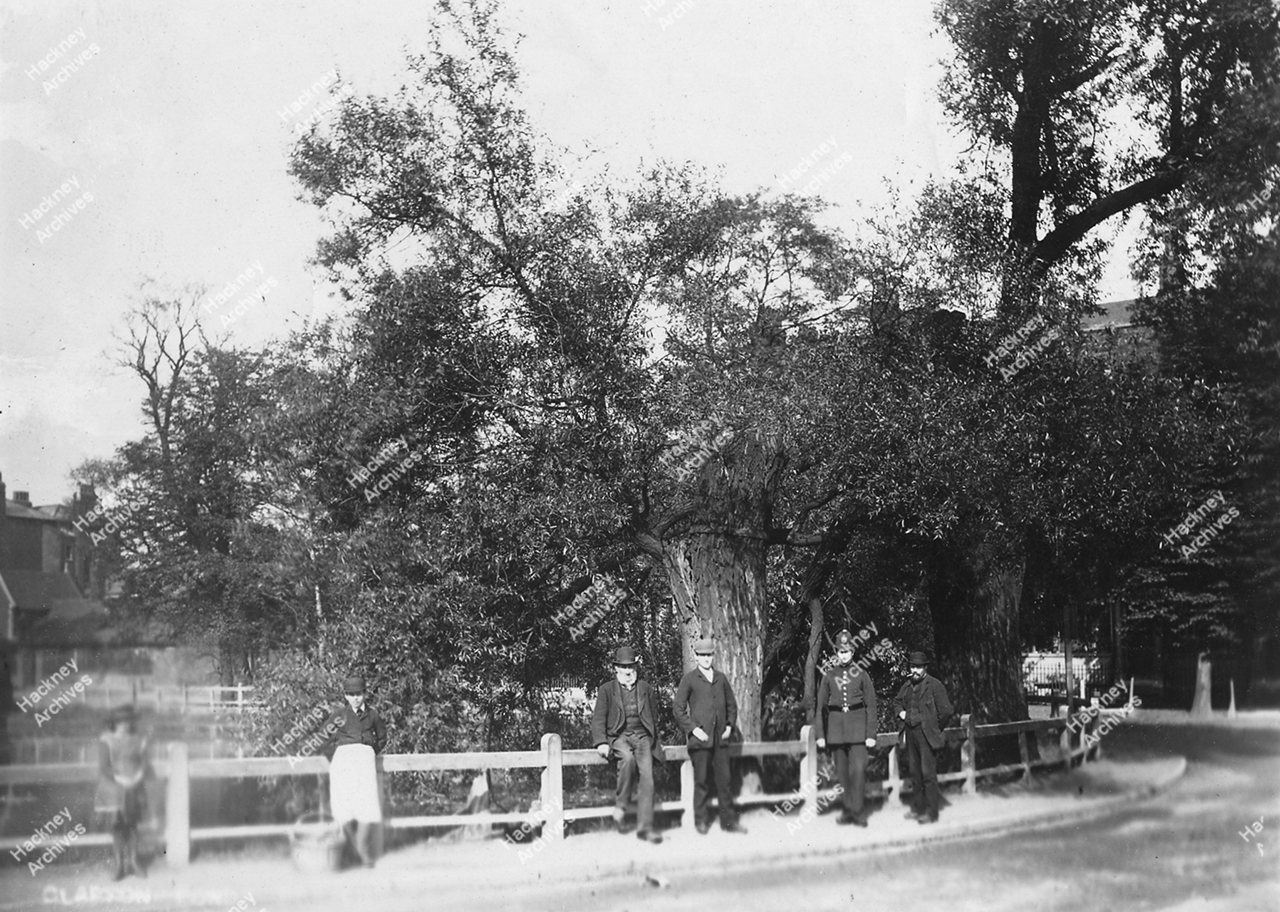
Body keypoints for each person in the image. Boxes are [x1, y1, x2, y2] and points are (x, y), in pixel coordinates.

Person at [590, 645, 664, 844]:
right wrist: (601, 742)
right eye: (623, 667)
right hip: (619, 737)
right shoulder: (606, 690)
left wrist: (653, 740)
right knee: (628, 759)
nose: (627, 671)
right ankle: (621, 806)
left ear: (636, 667)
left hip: (642, 738)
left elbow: (653, 716)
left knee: (648, 779)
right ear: (616, 669)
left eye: (631, 666)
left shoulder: (645, 688)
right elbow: (598, 720)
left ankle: (645, 828)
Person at [673, 637, 746, 834]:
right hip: (700, 740)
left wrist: (729, 726)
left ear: (713, 656)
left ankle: (729, 822)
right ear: (696, 657)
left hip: (721, 739)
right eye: (702, 655)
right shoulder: (689, 679)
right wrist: (693, 729)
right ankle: (701, 821)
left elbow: (731, 705)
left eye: (709, 655)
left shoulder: (721, 678)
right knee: (702, 781)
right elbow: (678, 708)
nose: (706, 659)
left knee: (725, 781)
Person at [815, 629, 878, 826]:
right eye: (841, 652)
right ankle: (848, 809)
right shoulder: (829, 676)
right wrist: (820, 734)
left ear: (853, 652)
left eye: (847, 651)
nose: (844, 655)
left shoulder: (862, 674)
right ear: (836, 653)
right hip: (836, 731)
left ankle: (858, 811)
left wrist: (871, 734)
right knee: (841, 774)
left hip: (858, 731)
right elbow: (821, 707)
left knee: (858, 770)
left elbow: (872, 705)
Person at [324, 675, 387, 867]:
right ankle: (356, 853)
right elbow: (324, 735)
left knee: (367, 804)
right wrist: (333, 756)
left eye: (358, 694)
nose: (355, 698)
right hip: (344, 761)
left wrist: (369, 750)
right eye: (351, 695)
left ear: (365, 694)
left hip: (365, 761)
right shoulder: (340, 715)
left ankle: (361, 848)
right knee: (343, 806)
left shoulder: (373, 715)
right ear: (345, 696)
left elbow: (382, 738)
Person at [893, 651, 953, 825]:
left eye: (918, 667)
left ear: (925, 667)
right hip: (911, 734)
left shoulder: (935, 685)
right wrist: (902, 714)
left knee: (928, 774)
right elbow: (897, 702)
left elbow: (946, 711)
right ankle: (918, 808)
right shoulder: (906, 685)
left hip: (926, 735)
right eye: (913, 666)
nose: (915, 670)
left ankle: (932, 812)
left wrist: (934, 727)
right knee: (914, 773)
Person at [94, 706, 150, 880]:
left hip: (134, 786)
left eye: (127, 721)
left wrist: (138, 775)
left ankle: (133, 862)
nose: (124, 725)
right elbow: (104, 767)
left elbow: (144, 762)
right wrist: (121, 780)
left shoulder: (138, 740)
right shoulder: (106, 740)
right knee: (117, 827)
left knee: (133, 826)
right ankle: (120, 865)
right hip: (113, 789)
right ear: (114, 723)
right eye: (120, 721)